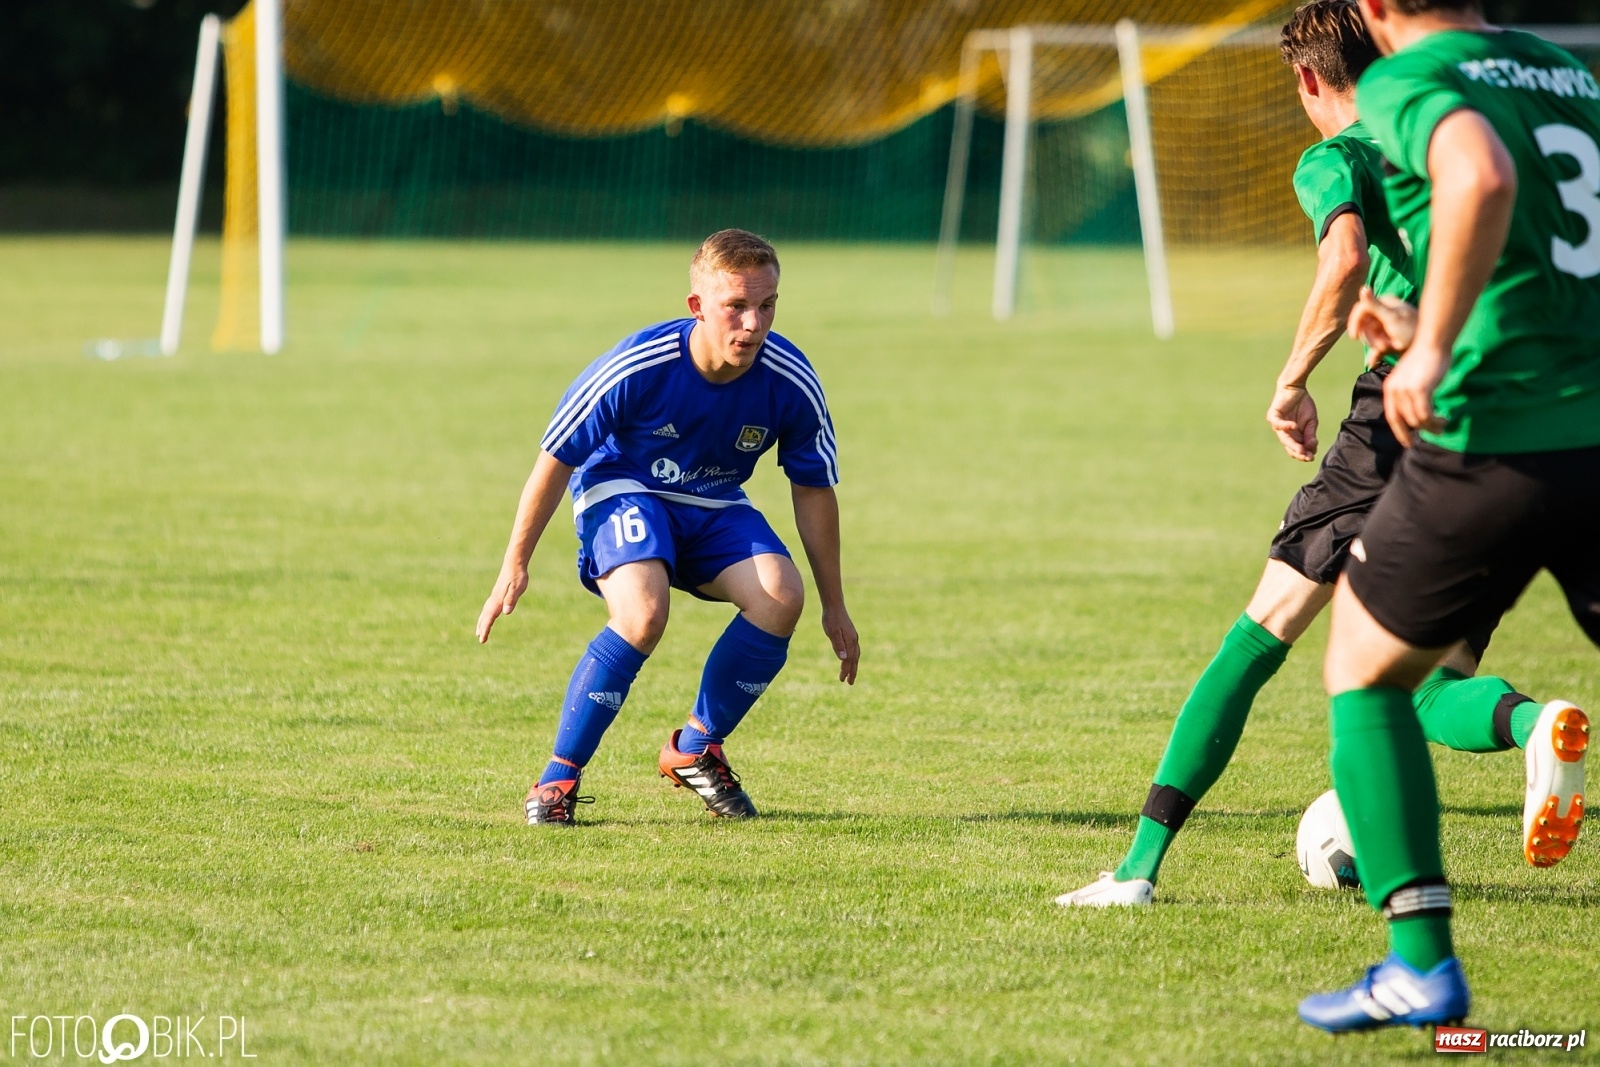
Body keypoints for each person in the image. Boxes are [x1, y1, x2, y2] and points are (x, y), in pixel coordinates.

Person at [1057, 0, 1582, 909]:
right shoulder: (1466, 108)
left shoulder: (1341, 151)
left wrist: (1291, 376)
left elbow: (1343, 256)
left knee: (1259, 636)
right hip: (1506, 401)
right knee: (1425, 679)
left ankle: (1136, 869)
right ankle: (1533, 723)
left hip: (1397, 406)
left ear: (1305, 79)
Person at [1296, 0, 1600, 1033]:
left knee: (1364, 668)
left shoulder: (1396, 80)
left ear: (1375, 10)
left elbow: (1481, 178)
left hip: (1497, 432)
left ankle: (1417, 962)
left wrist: (1426, 349)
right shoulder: (1562, 71)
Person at [476, 228, 861, 825]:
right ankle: (556, 781)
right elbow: (556, 457)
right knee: (643, 614)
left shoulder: (789, 378)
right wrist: (515, 562)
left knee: (782, 598)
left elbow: (813, 488)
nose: (753, 324)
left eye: (767, 305)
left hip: (712, 501)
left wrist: (833, 605)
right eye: (736, 306)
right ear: (697, 307)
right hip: (624, 485)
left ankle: (696, 747)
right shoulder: (639, 364)